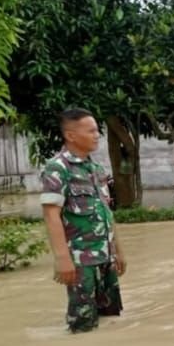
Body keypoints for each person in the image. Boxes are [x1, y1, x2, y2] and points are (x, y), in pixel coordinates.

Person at [40, 108, 126, 333]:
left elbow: (106, 211)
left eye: (97, 130)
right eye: (92, 130)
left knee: (111, 319)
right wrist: (62, 259)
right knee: (82, 325)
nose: (97, 135)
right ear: (71, 135)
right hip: (80, 262)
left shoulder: (96, 169)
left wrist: (118, 251)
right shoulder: (57, 168)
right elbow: (51, 215)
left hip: (106, 258)